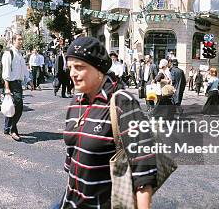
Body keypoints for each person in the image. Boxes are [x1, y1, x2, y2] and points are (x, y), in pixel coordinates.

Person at [60, 37, 157, 208]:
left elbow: (144, 170)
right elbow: (72, 156)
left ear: (99, 70)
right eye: (70, 68)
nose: (72, 74)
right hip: (70, 202)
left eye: (79, 67)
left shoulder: (121, 102)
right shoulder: (76, 101)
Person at [2, 33, 30, 141]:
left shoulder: (19, 54)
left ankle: (6, 127)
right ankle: (13, 129)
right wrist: (7, 88)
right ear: (13, 41)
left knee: (11, 106)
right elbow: (6, 72)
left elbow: (23, 69)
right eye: (19, 39)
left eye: (22, 39)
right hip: (11, 83)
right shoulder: (8, 53)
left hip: (18, 83)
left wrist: (29, 80)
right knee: (19, 107)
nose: (21, 41)